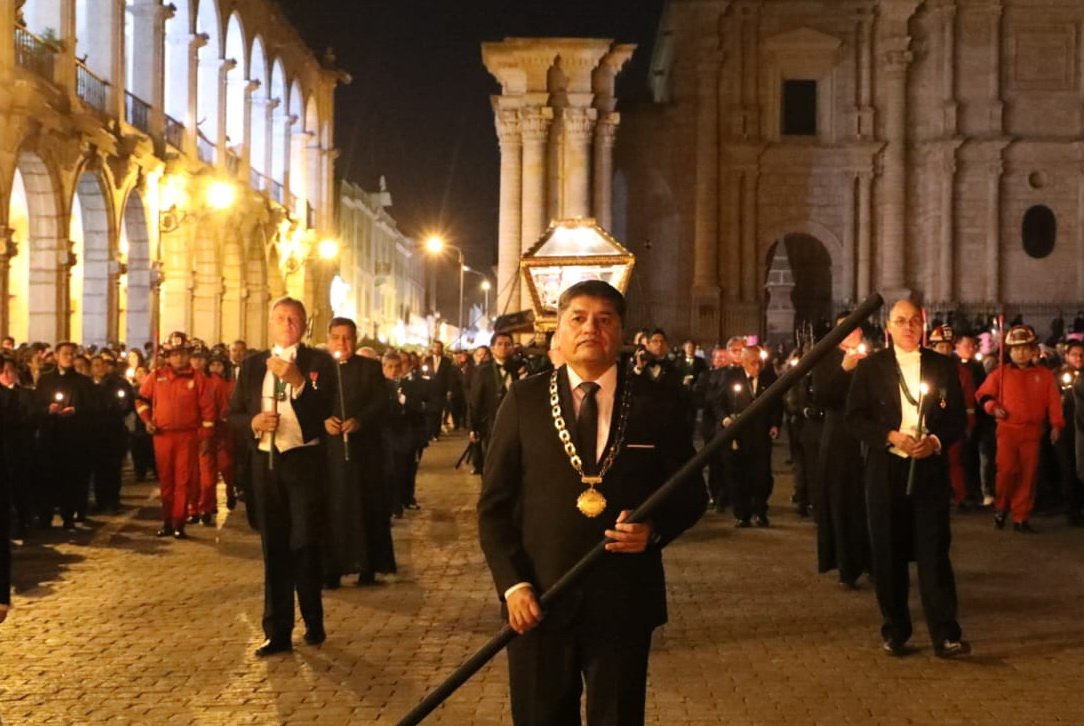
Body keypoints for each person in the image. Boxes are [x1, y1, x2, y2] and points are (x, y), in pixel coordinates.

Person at [478, 280, 705, 725]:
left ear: (621, 332)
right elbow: (494, 507)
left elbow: (692, 492)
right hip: (539, 599)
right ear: (557, 332)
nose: (590, 328)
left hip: (621, 601)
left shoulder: (656, 402)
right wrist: (513, 585)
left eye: (604, 319)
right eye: (577, 318)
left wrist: (654, 529)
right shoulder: (524, 401)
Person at [845, 298, 969, 658]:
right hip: (887, 469)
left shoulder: (943, 366)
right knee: (887, 552)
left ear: (924, 324)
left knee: (934, 552)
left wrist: (933, 441)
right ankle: (896, 629)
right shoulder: (871, 368)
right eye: (902, 321)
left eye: (915, 320)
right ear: (889, 327)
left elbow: (957, 418)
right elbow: (854, 418)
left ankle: (946, 633)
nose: (909, 327)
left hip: (929, 469)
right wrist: (890, 436)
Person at [228, 297, 334, 657]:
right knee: (274, 547)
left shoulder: (319, 362)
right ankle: (278, 631)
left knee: (304, 544)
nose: (287, 323)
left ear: (304, 325)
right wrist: (253, 424)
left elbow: (325, 410)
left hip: (303, 462)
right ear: (271, 323)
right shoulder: (253, 364)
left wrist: (299, 383)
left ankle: (313, 618)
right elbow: (235, 414)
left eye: (294, 318)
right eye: (281, 317)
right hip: (266, 462)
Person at [322, 317, 394, 588]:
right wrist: (324, 421)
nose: (342, 342)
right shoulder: (320, 369)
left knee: (366, 507)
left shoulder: (370, 368)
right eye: (337, 337)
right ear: (329, 339)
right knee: (334, 508)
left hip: (364, 452)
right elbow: (311, 404)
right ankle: (332, 568)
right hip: (331, 455)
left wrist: (360, 420)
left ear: (355, 339)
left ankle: (368, 566)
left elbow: (381, 402)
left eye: (348, 337)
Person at [975, 324, 1064, 533]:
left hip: (1033, 432)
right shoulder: (1000, 374)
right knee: (1006, 471)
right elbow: (982, 394)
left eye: (1024, 348)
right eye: (1016, 349)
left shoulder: (1045, 376)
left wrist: (1056, 425)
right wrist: (993, 407)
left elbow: (1053, 403)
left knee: (1028, 474)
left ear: (1033, 350)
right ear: (1009, 351)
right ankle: (1001, 506)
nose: (1020, 352)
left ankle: (1021, 516)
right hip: (1007, 431)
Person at [136, 333, 217, 539]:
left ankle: (179, 522)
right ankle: (167, 522)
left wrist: (206, 437)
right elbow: (141, 400)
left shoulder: (198, 378)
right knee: (166, 481)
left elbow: (208, 410)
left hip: (187, 436)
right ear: (167, 356)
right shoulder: (155, 376)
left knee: (183, 481)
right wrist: (147, 420)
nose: (178, 358)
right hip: (162, 436)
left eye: (182, 354)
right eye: (174, 354)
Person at [812, 314, 871, 588]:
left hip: (869, 438)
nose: (849, 335)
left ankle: (872, 561)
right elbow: (822, 395)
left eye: (853, 329)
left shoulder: (871, 359)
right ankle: (847, 566)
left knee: (868, 503)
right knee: (843, 502)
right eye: (843, 331)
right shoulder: (826, 359)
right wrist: (844, 370)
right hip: (840, 438)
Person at [716, 346, 781, 527]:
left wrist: (775, 423)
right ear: (743, 362)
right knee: (738, 475)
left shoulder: (769, 378)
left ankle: (760, 511)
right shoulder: (731, 378)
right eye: (753, 363)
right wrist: (725, 419)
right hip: (738, 435)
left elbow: (777, 402)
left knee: (762, 475)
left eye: (759, 362)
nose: (757, 367)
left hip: (760, 434)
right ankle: (742, 513)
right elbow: (719, 401)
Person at [34, 341, 97, 530]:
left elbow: (91, 408)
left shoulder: (83, 382)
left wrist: (75, 410)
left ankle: (68, 515)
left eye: (72, 354)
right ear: (56, 356)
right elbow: (37, 404)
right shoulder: (45, 380)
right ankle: (45, 516)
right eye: (65, 354)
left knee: (71, 478)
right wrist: (48, 409)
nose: (69, 357)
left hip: (73, 438)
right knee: (48, 477)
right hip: (50, 436)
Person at [929, 326, 978, 511]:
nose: (944, 350)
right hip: (929, 421)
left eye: (947, 346)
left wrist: (969, 422)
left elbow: (967, 397)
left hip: (952, 422)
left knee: (954, 461)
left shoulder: (961, 372)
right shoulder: (925, 368)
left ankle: (960, 497)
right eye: (940, 346)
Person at [468, 332, 523, 475]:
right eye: (499, 344)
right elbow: (475, 400)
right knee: (493, 463)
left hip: (516, 423)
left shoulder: (520, 368)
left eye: (507, 344)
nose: (504, 347)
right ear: (492, 348)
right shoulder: (483, 371)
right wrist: (474, 427)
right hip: (491, 424)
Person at [1057, 341, 1084, 525]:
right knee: (1068, 470)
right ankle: (1071, 510)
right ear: (1067, 356)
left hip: (1081, 430)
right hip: (1065, 430)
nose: (1079, 358)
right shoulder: (1057, 376)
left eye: (1082, 355)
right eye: (1074, 354)